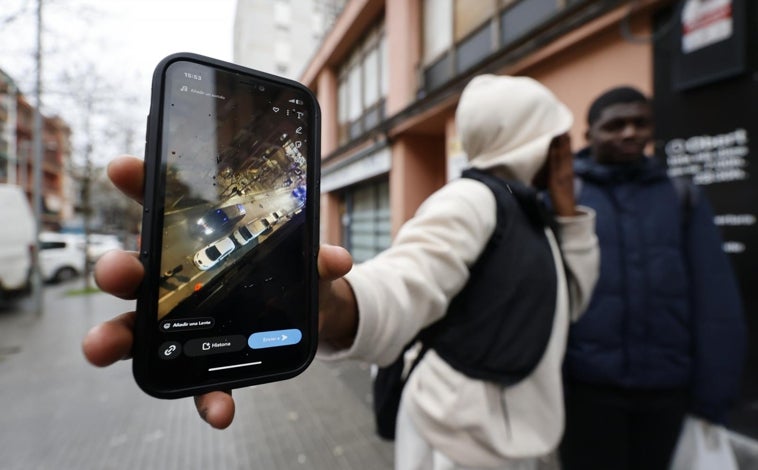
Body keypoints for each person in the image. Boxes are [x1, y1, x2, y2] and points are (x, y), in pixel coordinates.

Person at [83, 75, 599, 469]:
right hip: (459, 447)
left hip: (515, 442)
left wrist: (570, 217)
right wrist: (331, 307)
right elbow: (404, 281)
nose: (570, 154)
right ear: (533, 141)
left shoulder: (536, 211)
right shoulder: (473, 201)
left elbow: (568, 304)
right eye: (559, 139)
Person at [559, 86, 747, 470]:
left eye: (639, 123)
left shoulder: (680, 196)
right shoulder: (564, 196)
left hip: (665, 389)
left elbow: (714, 297)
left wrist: (714, 392)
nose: (630, 133)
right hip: (587, 391)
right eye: (615, 125)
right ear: (589, 134)